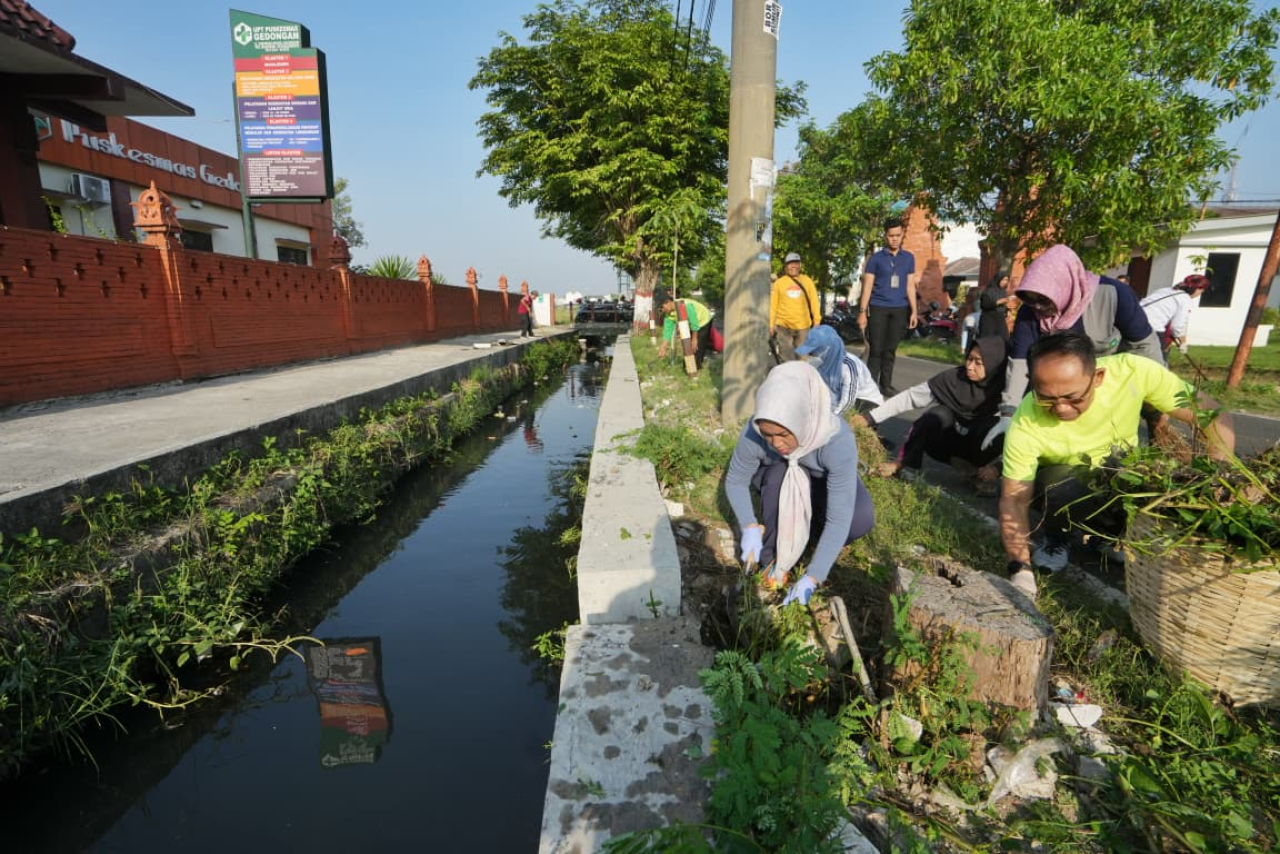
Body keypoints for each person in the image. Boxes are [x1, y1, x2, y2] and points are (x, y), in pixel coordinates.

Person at [998, 331, 1234, 595]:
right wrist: (1020, 570)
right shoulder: (1025, 421)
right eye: (1047, 399)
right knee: (1061, 483)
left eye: (1074, 398)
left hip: (1123, 469)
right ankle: (1056, 539)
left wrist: (1216, 476)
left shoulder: (1133, 372)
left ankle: (1110, 536)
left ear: (1097, 377)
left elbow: (1213, 416)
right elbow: (1014, 500)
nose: (1062, 408)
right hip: (1066, 483)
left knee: (1151, 476)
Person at [983, 244, 1163, 453]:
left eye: (1043, 298)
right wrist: (1008, 414)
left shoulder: (1114, 295)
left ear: (1063, 284)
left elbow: (1145, 346)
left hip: (1110, 378)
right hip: (1065, 386)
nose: (1038, 307)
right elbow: (1020, 362)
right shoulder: (1030, 313)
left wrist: (1153, 397)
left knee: (1120, 439)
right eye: (1031, 300)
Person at [726, 361, 876, 607]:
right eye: (768, 435)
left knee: (859, 518)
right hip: (777, 477)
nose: (775, 443)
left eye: (783, 434)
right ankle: (773, 559)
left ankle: (811, 540)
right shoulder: (756, 429)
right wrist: (749, 525)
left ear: (803, 419)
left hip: (821, 483)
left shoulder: (836, 440)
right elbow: (736, 479)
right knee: (778, 476)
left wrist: (813, 576)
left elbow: (839, 518)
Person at [853, 336, 1008, 491]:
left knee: (1003, 425)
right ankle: (901, 464)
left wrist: (998, 467)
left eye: (978, 363)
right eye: (969, 359)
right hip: (946, 445)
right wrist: (869, 417)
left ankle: (981, 472)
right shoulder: (953, 378)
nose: (969, 366)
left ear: (994, 364)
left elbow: (1026, 434)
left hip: (979, 446)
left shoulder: (1008, 389)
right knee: (936, 415)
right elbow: (911, 398)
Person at [858, 219, 919, 395]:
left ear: (902, 235)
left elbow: (909, 285)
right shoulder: (876, 259)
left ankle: (886, 385)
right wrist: (862, 312)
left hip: (900, 308)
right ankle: (869, 388)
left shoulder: (908, 258)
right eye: (891, 236)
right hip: (878, 308)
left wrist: (914, 311)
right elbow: (867, 286)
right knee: (876, 350)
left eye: (898, 235)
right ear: (885, 236)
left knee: (890, 350)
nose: (894, 239)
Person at [793, 324, 884, 417]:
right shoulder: (821, 362)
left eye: (813, 351)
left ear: (826, 349)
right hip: (841, 400)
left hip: (865, 401)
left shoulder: (848, 365)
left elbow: (848, 400)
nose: (810, 354)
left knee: (843, 425)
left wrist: (834, 420)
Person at [1140, 274, 1210, 362]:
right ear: (1198, 289)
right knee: (1158, 363)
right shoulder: (1185, 299)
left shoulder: (1164, 290)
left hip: (1133, 321)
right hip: (1152, 329)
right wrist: (1183, 343)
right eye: (1201, 291)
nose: (1199, 295)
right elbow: (1177, 327)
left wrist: (1181, 340)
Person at [770, 252, 822, 362]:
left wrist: (817, 321)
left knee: (803, 360)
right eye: (790, 263)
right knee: (787, 359)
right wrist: (771, 324)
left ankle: (801, 379)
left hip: (803, 327)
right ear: (786, 267)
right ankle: (788, 379)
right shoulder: (779, 283)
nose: (793, 266)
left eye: (796, 263)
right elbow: (773, 305)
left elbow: (814, 302)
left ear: (800, 265)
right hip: (784, 327)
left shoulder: (807, 281)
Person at [656, 295, 713, 364]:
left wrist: (694, 339)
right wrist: (663, 347)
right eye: (660, 310)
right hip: (690, 324)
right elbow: (667, 332)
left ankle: (697, 368)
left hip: (703, 319)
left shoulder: (685, 305)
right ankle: (689, 365)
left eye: (662, 307)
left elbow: (694, 323)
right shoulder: (668, 314)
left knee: (696, 346)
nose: (663, 310)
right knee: (688, 348)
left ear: (668, 302)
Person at [977, 273, 1012, 340]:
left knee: (1004, 340)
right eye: (1004, 280)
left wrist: (1007, 311)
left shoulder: (1003, 291)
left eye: (1007, 280)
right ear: (998, 280)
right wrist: (998, 302)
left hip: (1000, 319)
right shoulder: (989, 291)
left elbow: (1002, 306)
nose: (1005, 282)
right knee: (987, 341)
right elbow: (984, 305)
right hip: (989, 320)